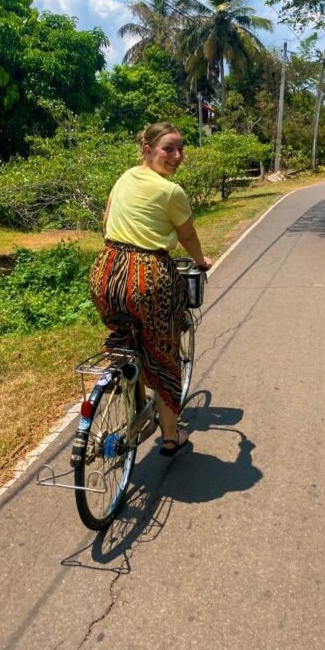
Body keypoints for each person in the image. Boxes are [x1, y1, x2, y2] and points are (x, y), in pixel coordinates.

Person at [89, 122, 212, 456]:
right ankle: (171, 436)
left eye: (180, 149)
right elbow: (187, 236)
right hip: (148, 277)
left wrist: (119, 256)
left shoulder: (124, 177)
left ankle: (125, 376)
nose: (177, 156)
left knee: (125, 339)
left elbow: (106, 220)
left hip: (106, 272)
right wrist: (200, 260)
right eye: (168, 149)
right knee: (165, 356)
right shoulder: (171, 192)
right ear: (147, 149)